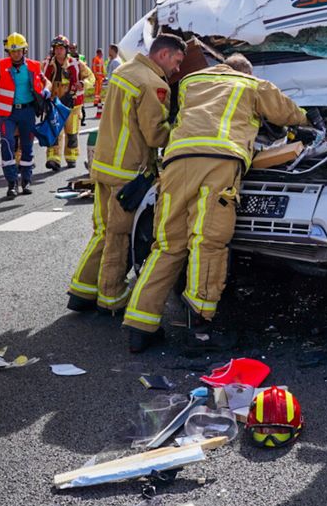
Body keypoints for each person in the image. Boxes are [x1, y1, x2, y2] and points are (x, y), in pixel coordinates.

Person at [124, 52, 307, 353]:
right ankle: (200, 331)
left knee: (167, 245)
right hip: (218, 164)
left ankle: (140, 327)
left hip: (177, 162)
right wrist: (306, 119)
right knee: (207, 242)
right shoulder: (251, 84)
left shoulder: (191, 83)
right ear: (244, 71)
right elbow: (287, 112)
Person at [67, 33, 183, 317]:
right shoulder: (154, 84)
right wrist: (180, 127)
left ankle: (82, 291)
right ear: (164, 55)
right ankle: (112, 297)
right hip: (127, 173)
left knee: (102, 231)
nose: (178, 69)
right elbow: (155, 135)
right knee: (119, 236)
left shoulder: (124, 70)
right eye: (177, 62)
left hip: (104, 166)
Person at [0, 32, 48, 197]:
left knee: (27, 146)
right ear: (8, 51)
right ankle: (12, 182)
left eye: (19, 50)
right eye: (12, 51)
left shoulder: (34, 66)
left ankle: (27, 180)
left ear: (25, 50)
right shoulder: (1, 65)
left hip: (28, 111)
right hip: (7, 112)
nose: (16, 54)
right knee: (7, 144)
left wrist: (46, 90)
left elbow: (46, 82)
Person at [43, 36, 95, 170]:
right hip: (55, 104)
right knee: (55, 132)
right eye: (56, 48)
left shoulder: (76, 64)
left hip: (73, 104)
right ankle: (54, 158)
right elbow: (42, 79)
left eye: (61, 48)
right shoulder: (48, 64)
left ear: (66, 50)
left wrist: (83, 84)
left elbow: (91, 77)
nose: (58, 51)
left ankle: (71, 157)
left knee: (72, 133)